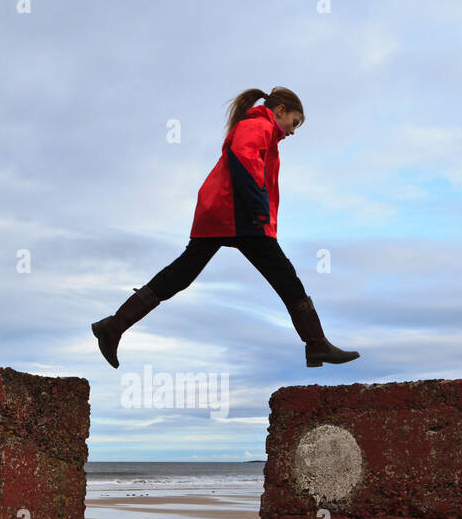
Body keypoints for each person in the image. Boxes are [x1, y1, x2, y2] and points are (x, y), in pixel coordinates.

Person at [91, 86, 359, 369]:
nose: (293, 132)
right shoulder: (259, 125)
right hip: (238, 215)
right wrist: (258, 208)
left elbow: (244, 160)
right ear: (280, 110)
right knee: (284, 276)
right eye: (294, 123)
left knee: (182, 274)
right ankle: (316, 345)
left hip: (223, 212)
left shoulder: (261, 127)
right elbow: (243, 157)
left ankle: (113, 326)